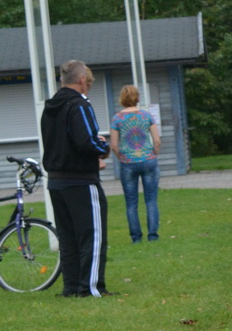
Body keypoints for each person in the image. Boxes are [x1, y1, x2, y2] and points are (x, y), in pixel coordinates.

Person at [40, 60, 110, 297]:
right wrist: (102, 146)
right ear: (82, 80)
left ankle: (71, 287)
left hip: (56, 181)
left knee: (68, 238)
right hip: (80, 179)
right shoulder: (79, 105)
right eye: (89, 83)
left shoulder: (50, 107)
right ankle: (90, 288)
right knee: (92, 235)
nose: (88, 87)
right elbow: (85, 140)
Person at [111, 85, 161, 243]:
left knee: (131, 202)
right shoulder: (147, 116)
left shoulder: (117, 118)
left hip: (128, 163)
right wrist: (153, 154)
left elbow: (113, 145)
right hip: (148, 160)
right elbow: (157, 140)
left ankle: (136, 238)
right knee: (151, 200)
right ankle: (153, 236)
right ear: (137, 97)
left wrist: (122, 157)